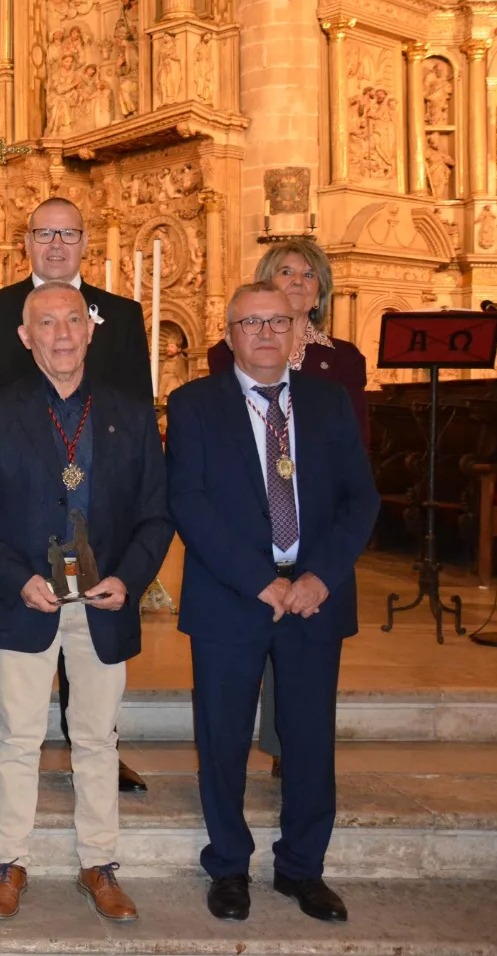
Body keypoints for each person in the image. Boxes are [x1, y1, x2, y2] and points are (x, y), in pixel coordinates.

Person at [0, 281, 172, 922]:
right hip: (27, 599)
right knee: (17, 736)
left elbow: (156, 515)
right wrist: (15, 577)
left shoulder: (131, 413)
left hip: (102, 603)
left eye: (73, 320)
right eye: (46, 324)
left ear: (91, 329)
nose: (62, 334)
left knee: (97, 737)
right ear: (26, 338)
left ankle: (98, 864)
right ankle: (8, 862)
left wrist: (129, 578)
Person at [169, 282, 379, 925]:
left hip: (315, 596)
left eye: (277, 321)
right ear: (229, 334)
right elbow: (190, 503)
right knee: (224, 737)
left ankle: (302, 869)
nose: (265, 333)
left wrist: (320, 576)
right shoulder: (194, 403)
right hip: (232, 596)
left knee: (310, 738)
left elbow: (359, 500)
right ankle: (229, 865)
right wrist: (261, 580)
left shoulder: (329, 403)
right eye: (250, 322)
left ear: (297, 330)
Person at [0, 196, 152, 796]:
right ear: (28, 242)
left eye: (69, 233)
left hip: (98, 503)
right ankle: (0, 744)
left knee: (93, 646)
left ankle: (95, 746)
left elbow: (135, 405)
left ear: (85, 241)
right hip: (22, 503)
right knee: (14, 640)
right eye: (46, 234)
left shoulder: (119, 313)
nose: (58, 245)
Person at [205, 239, 369, 777]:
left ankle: (289, 756)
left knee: (308, 716)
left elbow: (352, 471)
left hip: (313, 543)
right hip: (246, 556)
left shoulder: (339, 364)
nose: (297, 282)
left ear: (320, 290)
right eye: (284, 272)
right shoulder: (227, 359)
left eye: (307, 275)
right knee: (227, 714)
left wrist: (321, 572)